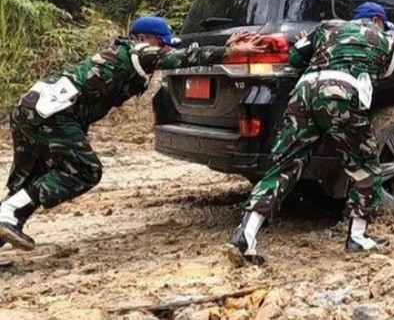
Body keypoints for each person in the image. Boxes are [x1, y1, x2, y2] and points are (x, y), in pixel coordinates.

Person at [0, 16, 264, 254]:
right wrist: (229, 52)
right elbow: (180, 58)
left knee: (28, 179)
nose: (164, 49)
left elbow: (181, 49)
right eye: (160, 43)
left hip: (31, 107)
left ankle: (7, 217)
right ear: (141, 39)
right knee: (84, 170)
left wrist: (223, 43)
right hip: (53, 114)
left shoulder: (126, 53)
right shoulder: (137, 51)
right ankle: (9, 212)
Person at [224, 2, 394, 266]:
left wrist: (307, 47)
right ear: (378, 20)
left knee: (284, 166)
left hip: (303, 94)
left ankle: (246, 235)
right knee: (364, 165)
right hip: (341, 95)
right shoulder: (385, 39)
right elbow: (393, 70)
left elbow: (296, 58)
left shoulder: (326, 28)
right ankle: (358, 237)